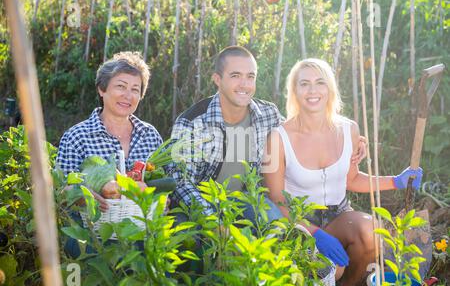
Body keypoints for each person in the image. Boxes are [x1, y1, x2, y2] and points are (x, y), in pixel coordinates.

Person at [262, 58, 423, 286]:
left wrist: (396, 181)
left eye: (320, 82)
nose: (313, 90)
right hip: (297, 220)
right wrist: (314, 233)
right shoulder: (277, 138)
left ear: (330, 88)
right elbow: (275, 199)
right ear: (294, 91)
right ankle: (332, 280)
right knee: (332, 268)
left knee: (372, 232)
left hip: (338, 214)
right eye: (304, 84)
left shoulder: (349, 129)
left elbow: (352, 180)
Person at [167, 46, 365, 224]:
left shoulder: (267, 115)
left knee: (275, 225)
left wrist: (352, 141)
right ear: (217, 79)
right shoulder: (192, 123)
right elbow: (179, 181)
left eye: (250, 76)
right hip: (201, 204)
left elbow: (300, 135)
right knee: (185, 239)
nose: (244, 84)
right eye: (235, 76)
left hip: (248, 202)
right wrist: (211, 219)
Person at [57, 51, 163, 211]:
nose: (128, 95)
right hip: (92, 232)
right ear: (102, 89)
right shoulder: (76, 137)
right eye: (121, 86)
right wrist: (82, 196)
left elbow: (162, 182)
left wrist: (162, 200)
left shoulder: (150, 135)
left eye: (135, 89)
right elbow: (61, 191)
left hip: (144, 229)